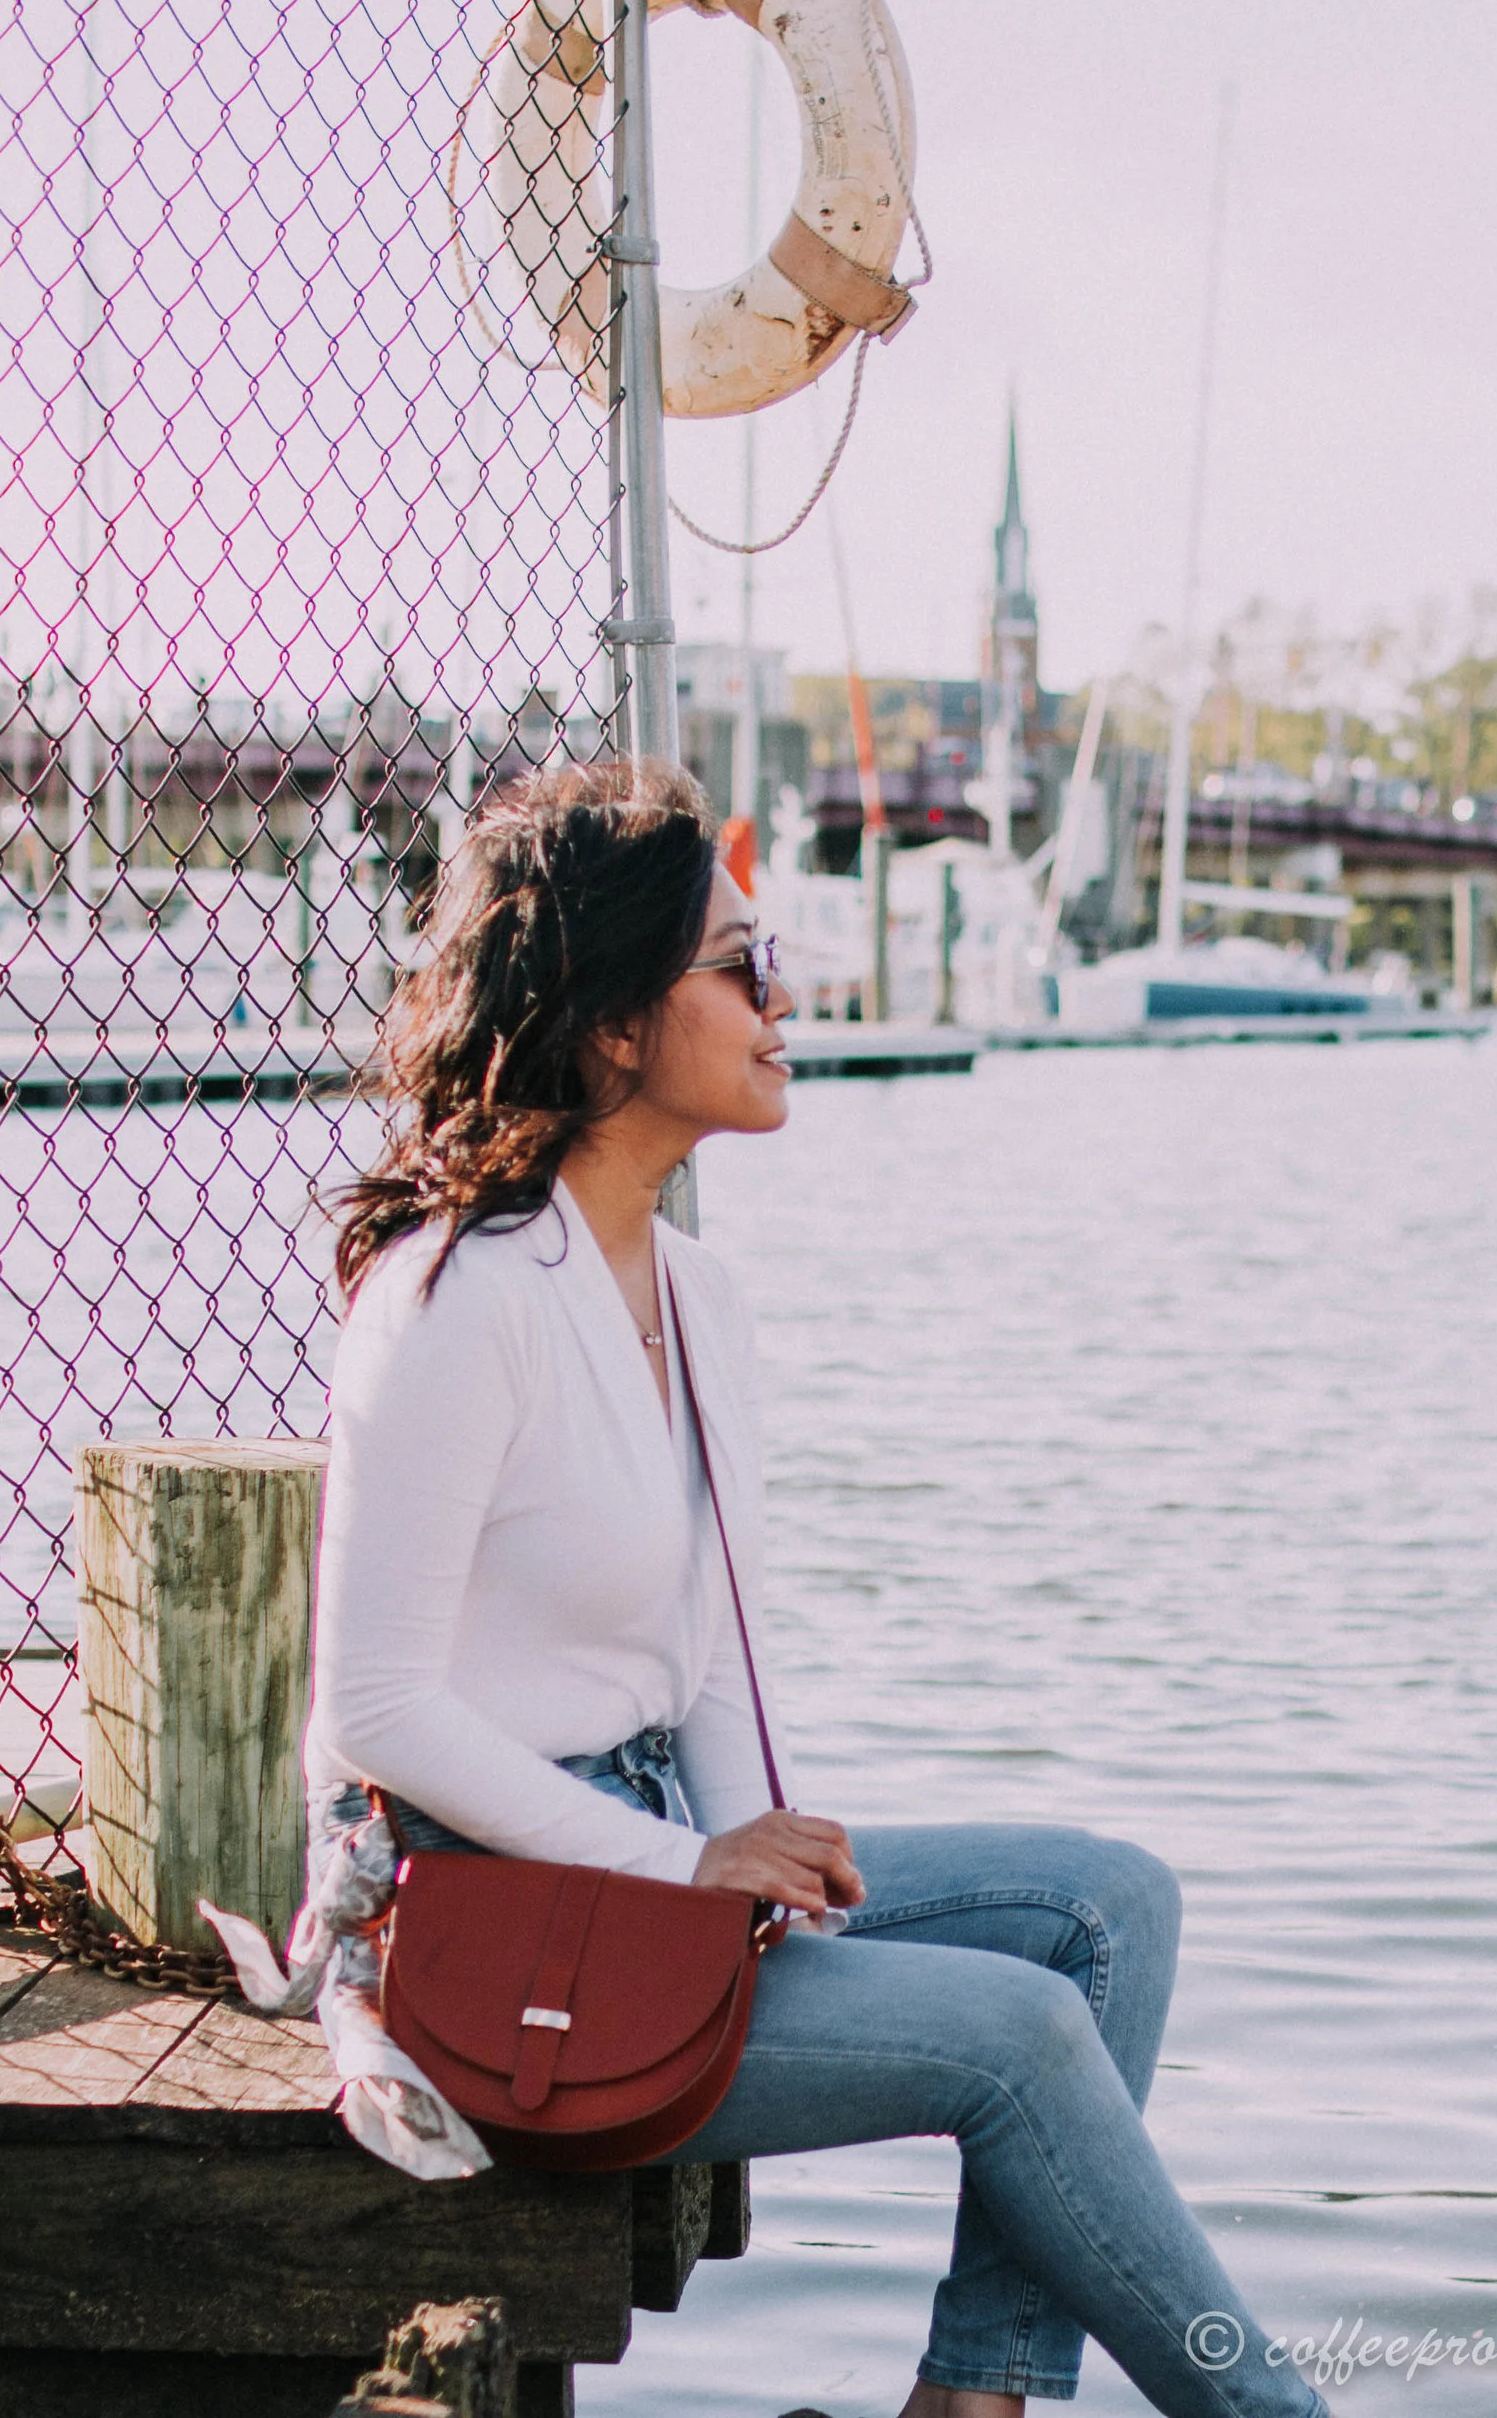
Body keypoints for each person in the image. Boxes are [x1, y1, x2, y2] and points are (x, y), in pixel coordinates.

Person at [309, 762, 1330, 2418]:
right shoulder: (454, 1295)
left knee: (1109, 1905)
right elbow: (378, 1709)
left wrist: (761, 1852)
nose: (783, 1002)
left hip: (648, 1872)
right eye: (740, 967)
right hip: (483, 1929)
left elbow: (711, 1660)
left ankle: (977, 2397)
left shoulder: (698, 1296)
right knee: (1017, 2040)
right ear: (621, 1027)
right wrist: (695, 1863)